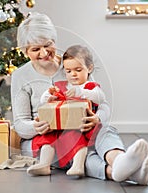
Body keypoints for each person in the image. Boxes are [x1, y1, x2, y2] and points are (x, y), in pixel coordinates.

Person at [11, 12, 148, 185]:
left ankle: (119, 160)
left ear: (54, 40)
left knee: (104, 130)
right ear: (25, 51)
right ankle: (125, 173)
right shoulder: (21, 76)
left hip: (81, 129)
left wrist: (97, 118)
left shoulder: (72, 64)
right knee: (70, 151)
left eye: (48, 45)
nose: (44, 53)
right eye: (35, 49)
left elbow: (102, 104)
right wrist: (36, 126)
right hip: (45, 139)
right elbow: (20, 124)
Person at [28, 45, 105, 177]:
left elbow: (100, 97)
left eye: (78, 70)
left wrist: (80, 91)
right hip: (59, 126)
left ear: (89, 68)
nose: (73, 74)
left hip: (79, 126)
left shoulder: (90, 86)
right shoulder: (61, 86)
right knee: (47, 137)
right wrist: (49, 96)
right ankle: (44, 164)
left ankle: (78, 165)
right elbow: (43, 101)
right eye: (69, 71)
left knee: (76, 138)